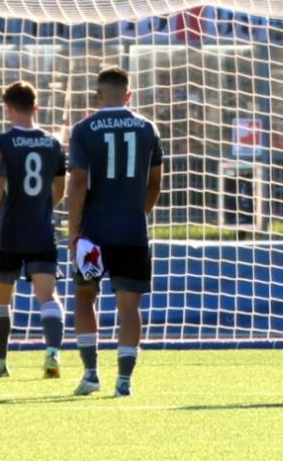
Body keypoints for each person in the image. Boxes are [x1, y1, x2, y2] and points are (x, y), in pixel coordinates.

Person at [68, 65, 165, 398]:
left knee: (84, 297)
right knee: (128, 306)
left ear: (97, 94)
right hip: (131, 232)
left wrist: (73, 231)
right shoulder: (147, 128)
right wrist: (139, 212)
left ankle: (91, 373)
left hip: (93, 232)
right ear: (128, 95)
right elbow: (156, 183)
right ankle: (124, 380)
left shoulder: (83, 128)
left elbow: (78, 181)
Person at [0, 80, 67, 381]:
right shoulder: (53, 143)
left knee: (0, 300)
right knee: (48, 295)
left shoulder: (1, 142)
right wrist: (41, 206)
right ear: (36, 107)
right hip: (41, 232)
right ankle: (53, 355)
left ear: (8, 109)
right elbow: (60, 190)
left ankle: (0, 363)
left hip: (7, 233)